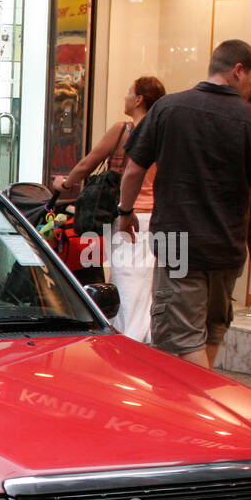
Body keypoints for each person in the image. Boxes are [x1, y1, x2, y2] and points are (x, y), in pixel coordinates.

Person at [118, 40, 251, 369]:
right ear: (237, 71)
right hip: (227, 246)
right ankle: (198, 408)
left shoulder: (168, 109)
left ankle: (204, 410)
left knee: (181, 338)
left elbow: (133, 169)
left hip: (178, 245)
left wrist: (125, 213)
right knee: (210, 332)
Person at [54, 76, 166, 341]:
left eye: (129, 91)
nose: (126, 97)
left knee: (125, 282)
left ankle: (128, 341)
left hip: (128, 216)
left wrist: (65, 183)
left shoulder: (124, 130)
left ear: (139, 99)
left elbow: (88, 164)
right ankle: (142, 339)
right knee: (146, 285)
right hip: (156, 217)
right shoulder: (164, 133)